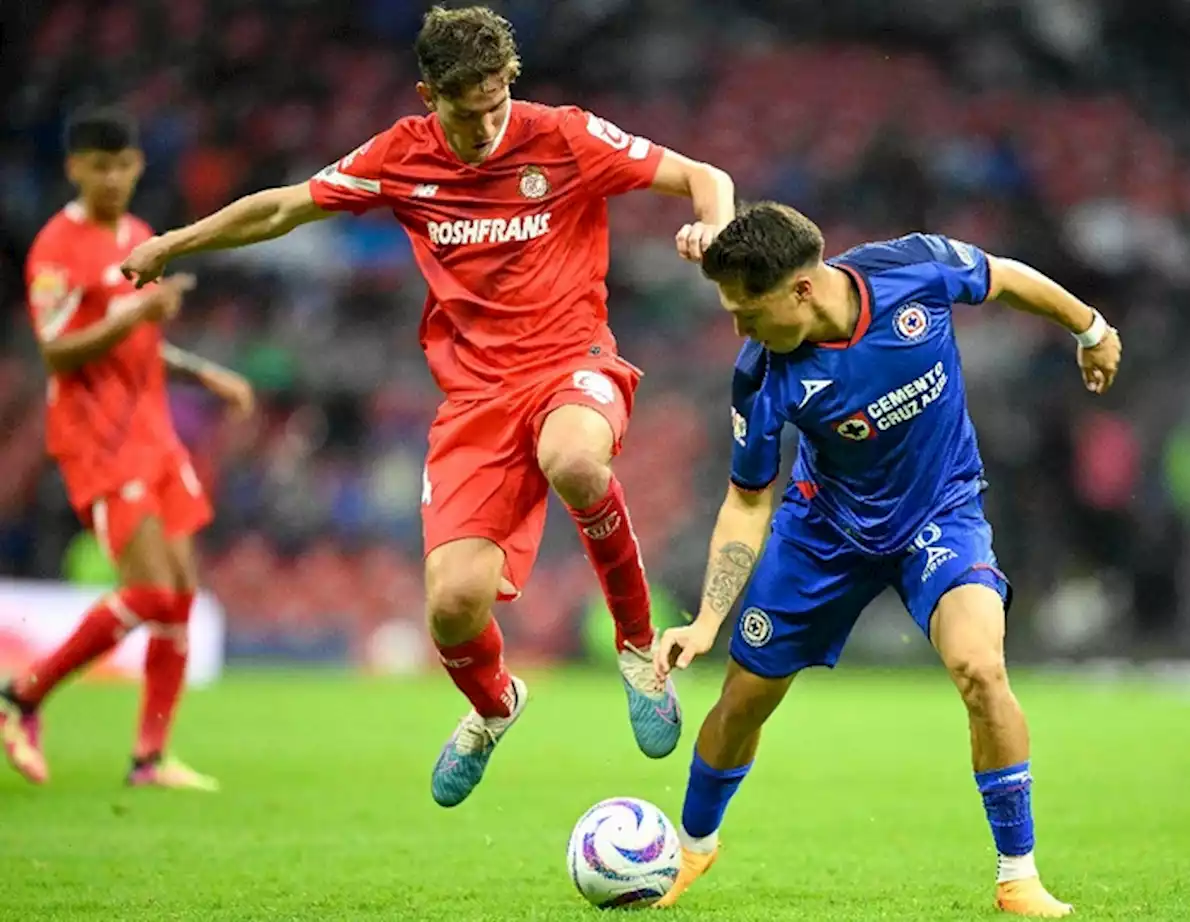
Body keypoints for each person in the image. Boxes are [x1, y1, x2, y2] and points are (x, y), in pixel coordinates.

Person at [120, 5, 735, 808]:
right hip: (475, 401)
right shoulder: (400, 157)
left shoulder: (564, 135)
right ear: (427, 95)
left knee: (576, 458)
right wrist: (173, 243)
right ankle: (493, 708)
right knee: (451, 609)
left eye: (496, 103)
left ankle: (636, 647)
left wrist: (712, 229)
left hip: (571, 361)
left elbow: (704, 178)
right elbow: (283, 207)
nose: (485, 126)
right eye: (465, 110)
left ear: (511, 82)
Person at [654, 202, 1122, 916]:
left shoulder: (912, 270)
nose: (740, 331)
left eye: (749, 313)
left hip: (940, 514)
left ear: (802, 290)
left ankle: (1017, 877)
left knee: (980, 667)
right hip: (823, 531)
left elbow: (1005, 279)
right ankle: (692, 849)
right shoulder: (761, 377)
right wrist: (709, 619)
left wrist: (1089, 328)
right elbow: (749, 501)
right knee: (744, 701)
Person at [1, 107, 255, 791]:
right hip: (98, 439)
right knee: (148, 590)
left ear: (138, 166)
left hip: (152, 432)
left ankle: (150, 758)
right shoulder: (57, 248)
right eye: (98, 165)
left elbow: (139, 343)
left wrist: (205, 374)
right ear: (74, 167)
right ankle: (22, 695)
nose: (112, 177)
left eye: (123, 165)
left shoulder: (140, 235)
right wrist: (132, 314)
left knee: (179, 597)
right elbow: (55, 350)